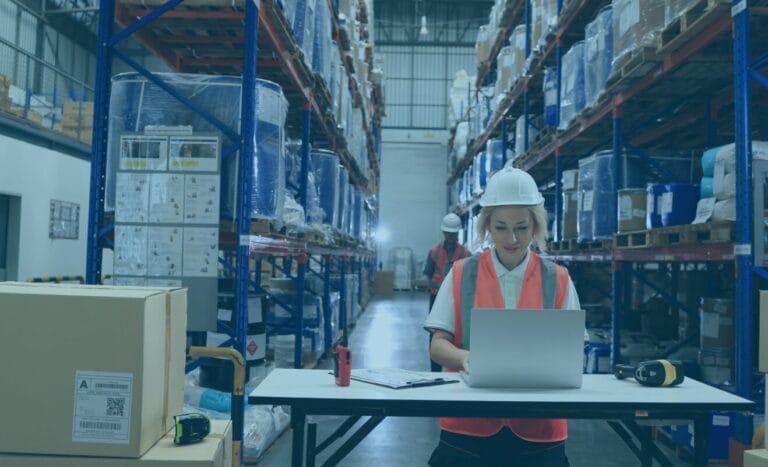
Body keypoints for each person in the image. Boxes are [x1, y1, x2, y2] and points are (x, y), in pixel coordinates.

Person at [424, 167, 581, 467]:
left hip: (540, 427)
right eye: (501, 227)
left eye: (522, 227)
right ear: (487, 227)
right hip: (468, 425)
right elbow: (438, 344)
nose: (512, 238)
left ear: (536, 226)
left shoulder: (558, 279)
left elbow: (573, 349)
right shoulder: (461, 274)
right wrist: (465, 358)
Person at [423, 213, 471, 371]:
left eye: (453, 234)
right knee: (436, 335)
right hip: (436, 297)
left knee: (458, 333)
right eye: (448, 233)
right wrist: (436, 284)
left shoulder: (466, 254)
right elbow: (428, 274)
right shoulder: (434, 252)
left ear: (458, 233)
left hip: (459, 299)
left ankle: (459, 364)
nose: (451, 237)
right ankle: (435, 371)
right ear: (444, 233)